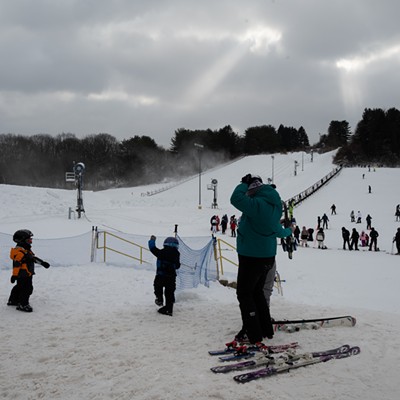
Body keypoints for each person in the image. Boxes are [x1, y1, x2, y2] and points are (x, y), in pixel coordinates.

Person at [230, 174, 292, 347]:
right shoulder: (273, 205)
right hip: (266, 257)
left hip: (251, 256)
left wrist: (243, 183)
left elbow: (235, 199)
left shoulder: (259, 204)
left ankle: (253, 334)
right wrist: (289, 231)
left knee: (244, 293)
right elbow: (279, 231)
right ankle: (265, 329)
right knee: (257, 293)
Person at [8, 229, 50, 312]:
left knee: (19, 287)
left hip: (27, 273)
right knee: (27, 289)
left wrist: (42, 263)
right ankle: (23, 304)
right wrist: (14, 275)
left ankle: (13, 300)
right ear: (22, 241)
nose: (31, 241)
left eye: (31, 239)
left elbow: (32, 258)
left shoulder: (26, 250)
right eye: (29, 240)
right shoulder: (20, 252)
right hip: (23, 274)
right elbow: (16, 265)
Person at [148, 235, 181, 316]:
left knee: (157, 286)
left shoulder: (161, 252)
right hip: (171, 277)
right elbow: (177, 266)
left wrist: (152, 240)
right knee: (169, 292)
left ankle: (159, 299)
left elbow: (153, 249)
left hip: (161, 275)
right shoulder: (177, 254)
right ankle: (169, 309)